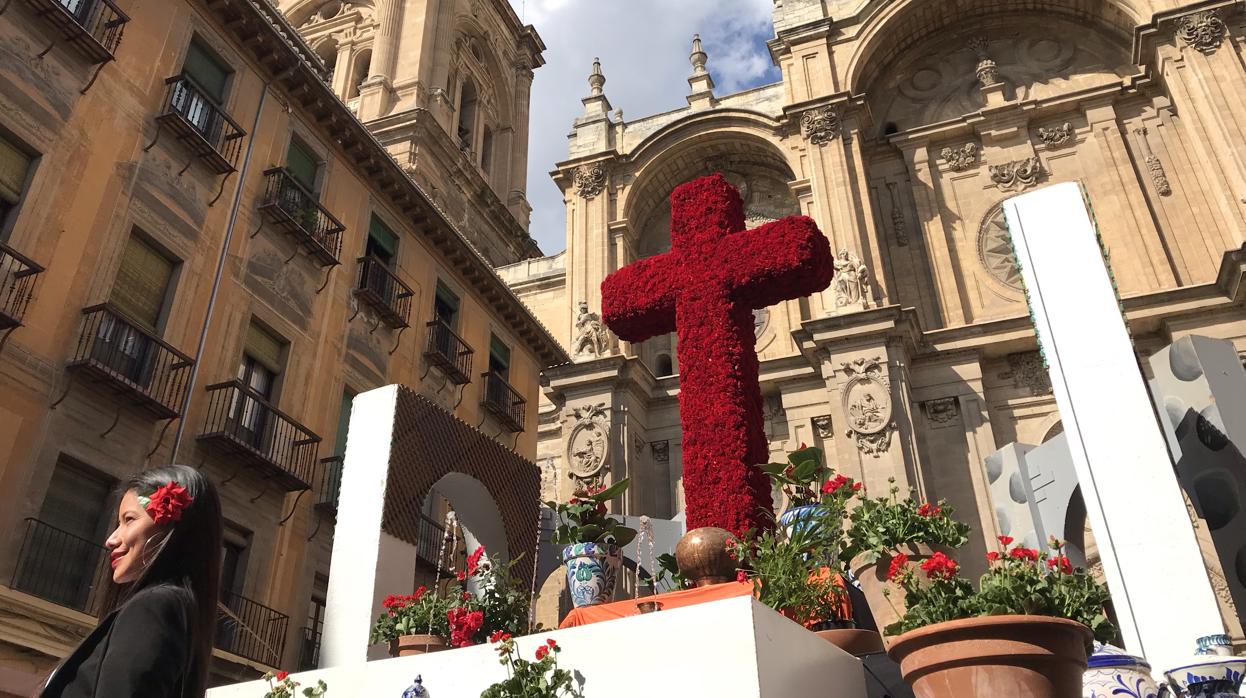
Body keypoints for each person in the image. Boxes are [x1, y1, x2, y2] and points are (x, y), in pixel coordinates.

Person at [40, 464, 223, 698]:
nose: (111, 539)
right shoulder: (175, 609)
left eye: (128, 520)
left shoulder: (154, 607)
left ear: (169, 527)